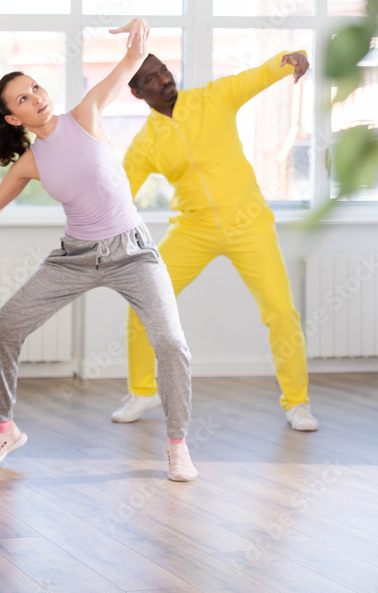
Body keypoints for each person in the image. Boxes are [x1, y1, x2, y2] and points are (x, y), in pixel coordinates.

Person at [0, 19, 197, 482]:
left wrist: (139, 27)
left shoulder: (87, 113)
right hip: (75, 257)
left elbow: (132, 61)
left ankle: (177, 444)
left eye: (35, 87)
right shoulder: (29, 163)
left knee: (171, 343)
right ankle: (3, 428)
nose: (35, 96)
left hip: (133, 252)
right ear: (14, 118)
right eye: (22, 98)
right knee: (3, 329)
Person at [119, 50, 318, 432]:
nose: (164, 78)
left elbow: (257, 74)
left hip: (249, 224)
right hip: (193, 230)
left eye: (163, 69)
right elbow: (118, 192)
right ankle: (142, 390)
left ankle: (298, 403)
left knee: (280, 311)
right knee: (143, 297)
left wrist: (290, 60)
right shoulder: (146, 143)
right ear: (136, 92)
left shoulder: (214, 97)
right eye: (151, 78)